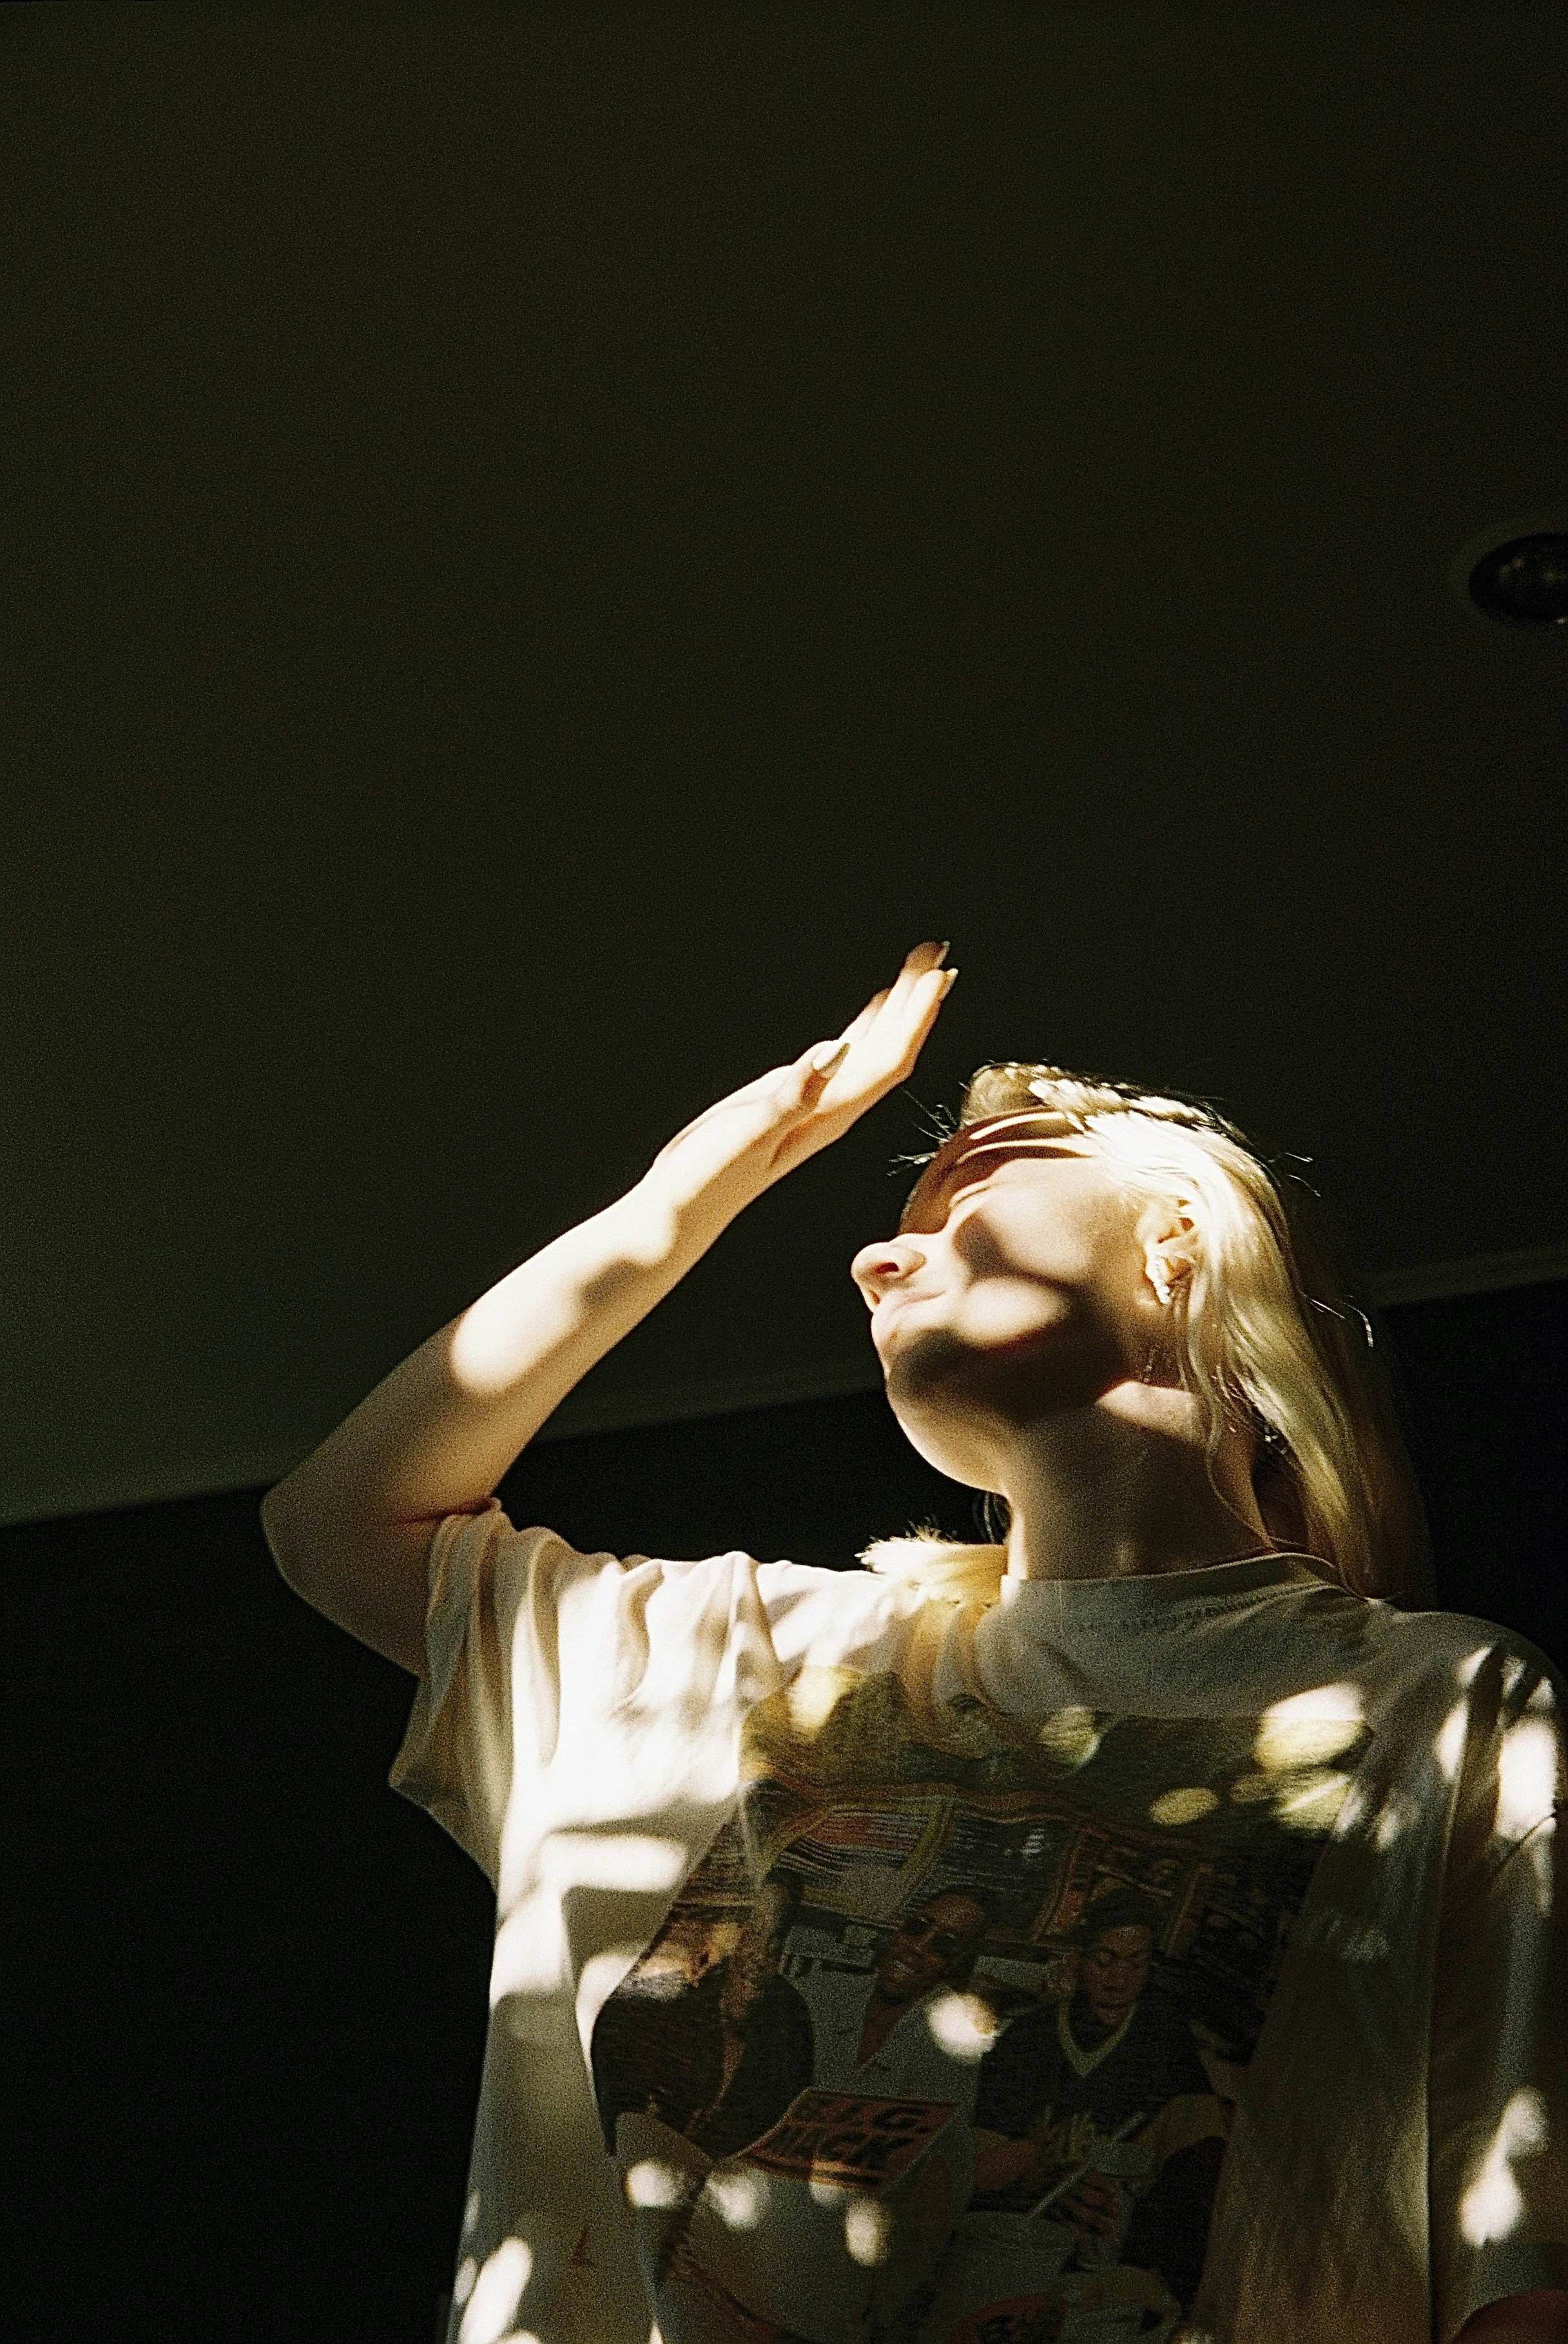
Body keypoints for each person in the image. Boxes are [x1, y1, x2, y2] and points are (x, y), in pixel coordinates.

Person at [262, 941, 1568, 2344]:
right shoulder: (740, 1650)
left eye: (971, 1186)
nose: (877, 1254)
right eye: (894, 1221)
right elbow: (341, 1524)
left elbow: (1514, 2268)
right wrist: (689, 1193)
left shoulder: (1444, 1705)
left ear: (1174, 1233)